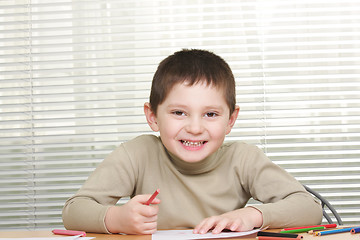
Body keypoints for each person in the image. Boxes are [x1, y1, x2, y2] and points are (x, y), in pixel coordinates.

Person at [62, 49, 322, 235]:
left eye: (210, 114)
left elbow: (308, 208)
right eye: (178, 113)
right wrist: (117, 218)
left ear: (231, 120)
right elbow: (74, 211)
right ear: (153, 117)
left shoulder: (243, 159)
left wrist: (252, 215)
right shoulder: (137, 154)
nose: (195, 128)